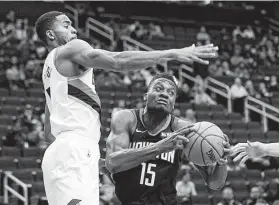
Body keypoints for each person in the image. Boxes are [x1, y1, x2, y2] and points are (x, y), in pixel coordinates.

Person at [36, 11, 218, 205]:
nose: (73, 29)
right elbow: (117, 61)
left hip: (66, 154)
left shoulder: (49, 71)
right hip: (74, 151)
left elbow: (49, 133)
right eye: (66, 25)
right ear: (50, 34)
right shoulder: (72, 48)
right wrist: (171, 54)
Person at [105, 73, 230, 205]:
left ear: (174, 103)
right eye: (158, 89)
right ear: (146, 95)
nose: (164, 94)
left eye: (171, 92)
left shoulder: (184, 129)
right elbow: (112, 163)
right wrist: (160, 147)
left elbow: (214, 183)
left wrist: (221, 162)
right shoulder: (126, 119)